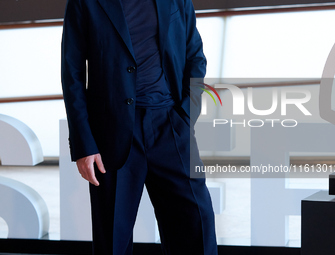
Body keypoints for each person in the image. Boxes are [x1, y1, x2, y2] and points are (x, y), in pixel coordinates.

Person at [61, 0, 218, 254]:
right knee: (113, 240)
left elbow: (195, 56)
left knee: (197, 225)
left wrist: (187, 114)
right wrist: (84, 144)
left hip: (171, 126)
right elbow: (72, 72)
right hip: (112, 133)